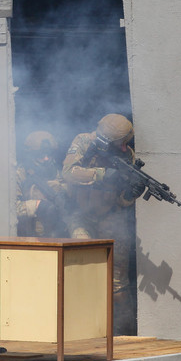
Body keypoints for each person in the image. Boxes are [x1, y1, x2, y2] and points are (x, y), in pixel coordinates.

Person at [61, 114, 145, 335]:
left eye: (127, 143)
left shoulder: (128, 158)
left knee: (118, 284)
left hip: (110, 219)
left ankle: (123, 333)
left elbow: (121, 201)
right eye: (121, 143)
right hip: (81, 217)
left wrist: (131, 193)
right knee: (82, 270)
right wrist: (103, 174)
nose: (125, 148)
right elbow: (68, 173)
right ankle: (79, 328)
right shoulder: (83, 142)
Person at [15, 131, 70, 237]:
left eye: (49, 155)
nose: (46, 159)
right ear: (30, 156)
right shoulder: (20, 175)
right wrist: (38, 206)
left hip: (55, 234)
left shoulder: (57, 173)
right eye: (41, 155)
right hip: (30, 235)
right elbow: (11, 210)